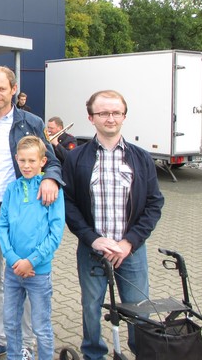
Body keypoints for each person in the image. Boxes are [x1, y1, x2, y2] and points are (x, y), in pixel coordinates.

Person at [0, 66, 62, 360]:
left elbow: (51, 161)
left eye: (2, 89)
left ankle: (27, 343)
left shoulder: (32, 122)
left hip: (21, 216)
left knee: (25, 275)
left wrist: (50, 179)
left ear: (13, 89)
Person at [62, 90, 164, 360]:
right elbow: (68, 203)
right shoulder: (76, 158)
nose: (110, 118)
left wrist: (129, 242)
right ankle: (93, 354)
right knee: (91, 307)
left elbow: (154, 203)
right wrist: (92, 239)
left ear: (124, 116)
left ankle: (142, 353)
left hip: (130, 251)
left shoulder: (141, 158)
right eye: (103, 113)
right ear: (91, 118)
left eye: (116, 112)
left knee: (139, 309)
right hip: (93, 250)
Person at [0, 136, 65, 360]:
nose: (26, 166)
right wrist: (13, 258)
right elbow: (2, 225)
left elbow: (55, 234)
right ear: (16, 158)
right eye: (22, 160)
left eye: (32, 161)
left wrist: (32, 261)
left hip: (38, 272)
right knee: (10, 322)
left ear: (43, 161)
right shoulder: (11, 189)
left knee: (41, 326)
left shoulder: (51, 191)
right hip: (13, 270)